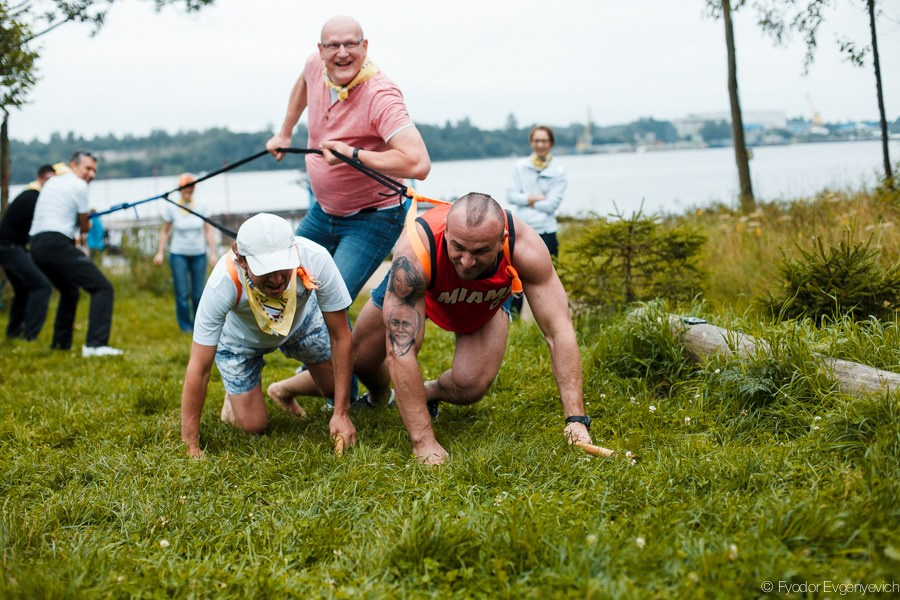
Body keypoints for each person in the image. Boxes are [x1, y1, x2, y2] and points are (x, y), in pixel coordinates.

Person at [355, 193, 591, 464]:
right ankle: (380, 395)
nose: (466, 261)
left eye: (480, 251)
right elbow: (401, 349)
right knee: (360, 359)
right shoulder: (415, 253)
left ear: (501, 240)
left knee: (470, 386)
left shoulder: (524, 247)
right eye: (458, 248)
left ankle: (427, 392)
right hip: (424, 283)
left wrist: (576, 420)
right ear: (447, 233)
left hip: (482, 300)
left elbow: (558, 331)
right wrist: (424, 442)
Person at [265, 14, 431, 302]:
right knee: (281, 285)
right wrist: (284, 132)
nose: (342, 53)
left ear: (364, 47)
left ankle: (344, 346)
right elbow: (303, 82)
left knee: (328, 300)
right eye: (333, 46)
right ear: (321, 50)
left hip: (373, 216)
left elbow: (419, 163)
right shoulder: (316, 66)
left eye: (350, 44)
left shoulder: (381, 95)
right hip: (322, 211)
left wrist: (353, 155)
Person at [180, 213, 356, 459]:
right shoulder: (223, 281)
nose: (276, 279)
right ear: (242, 261)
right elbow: (198, 367)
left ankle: (282, 390)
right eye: (266, 270)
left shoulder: (315, 258)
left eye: (282, 266)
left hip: (300, 323)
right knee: (253, 426)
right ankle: (235, 395)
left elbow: (341, 337)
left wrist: (341, 413)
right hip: (239, 343)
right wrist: (190, 444)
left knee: (337, 388)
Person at [28, 151, 123, 357]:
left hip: (36, 245)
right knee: (102, 288)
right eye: (88, 168)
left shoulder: (53, 182)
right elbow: (84, 227)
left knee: (70, 291)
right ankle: (96, 346)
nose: (91, 174)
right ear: (73, 165)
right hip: (56, 243)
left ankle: (60, 344)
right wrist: (87, 220)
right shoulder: (79, 186)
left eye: (94, 170)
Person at [506, 125, 566, 316]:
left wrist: (526, 199)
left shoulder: (558, 171)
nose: (540, 145)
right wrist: (536, 198)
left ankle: (550, 318)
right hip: (523, 230)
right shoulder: (520, 167)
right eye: (537, 140)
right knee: (516, 278)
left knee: (549, 279)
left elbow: (552, 205)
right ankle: (514, 320)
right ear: (532, 143)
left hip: (547, 231)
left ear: (551, 143)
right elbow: (511, 196)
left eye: (544, 141)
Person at [153, 173, 219, 332]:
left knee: (198, 293)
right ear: (180, 189)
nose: (188, 190)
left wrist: (213, 253)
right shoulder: (172, 206)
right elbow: (165, 232)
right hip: (178, 254)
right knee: (182, 293)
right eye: (185, 187)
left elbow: (208, 231)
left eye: (191, 187)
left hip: (198, 254)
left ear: (194, 188)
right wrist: (160, 252)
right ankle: (185, 326)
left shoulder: (202, 206)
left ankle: (199, 324)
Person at [0, 164, 57, 340]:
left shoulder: (29, 194)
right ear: (39, 178)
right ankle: (30, 335)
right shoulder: (34, 197)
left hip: (9, 247)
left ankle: (13, 332)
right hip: (9, 247)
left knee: (24, 289)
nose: (51, 186)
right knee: (42, 286)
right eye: (48, 181)